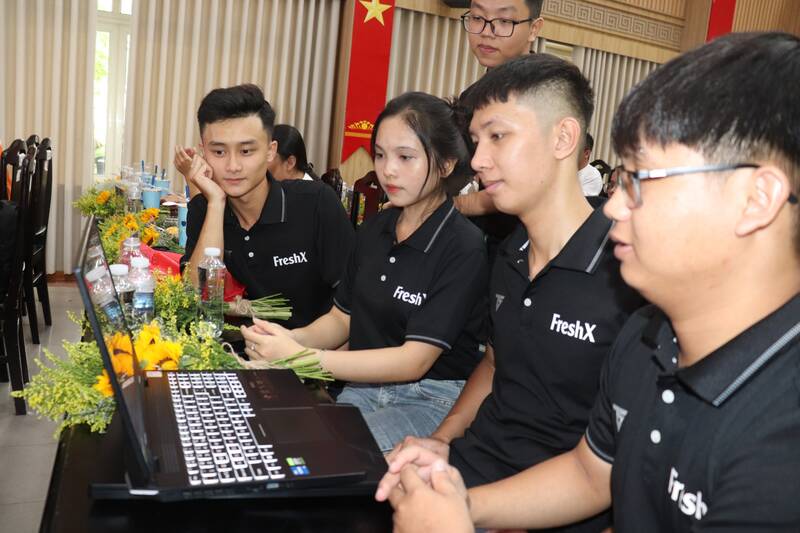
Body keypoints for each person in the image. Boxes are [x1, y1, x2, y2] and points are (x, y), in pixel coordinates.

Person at [379, 31, 800, 532]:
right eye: (622, 181)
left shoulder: (781, 425)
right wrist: (459, 507)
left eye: (644, 181)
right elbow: (588, 473)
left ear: (757, 198)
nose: (615, 207)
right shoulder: (648, 341)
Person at [389, 54, 644, 532]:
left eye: (498, 137)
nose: (479, 160)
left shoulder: (627, 269)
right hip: (473, 471)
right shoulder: (510, 254)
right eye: (476, 141)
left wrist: (467, 510)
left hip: (557, 505)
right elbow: (494, 361)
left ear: (563, 138)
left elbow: (612, 468)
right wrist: (441, 440)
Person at [240, 92, 489, 452]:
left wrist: (301, 358)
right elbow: (342, 319)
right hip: (364, 388)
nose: (388, 170)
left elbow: (413, 361)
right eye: (381, 155)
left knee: (327, 452)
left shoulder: (463, 246)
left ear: (447, 164)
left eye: (406, 157)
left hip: (431, 397)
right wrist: (292, 338)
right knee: (289, 442)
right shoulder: (376, 228)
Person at [179, 84, 354, 329]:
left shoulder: (316, 203)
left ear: (271, 151)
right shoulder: (205, 208)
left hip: (310, 355)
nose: (233, 166)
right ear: (203, 152)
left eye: (246, 151)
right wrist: (216, 204)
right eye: (218, 151)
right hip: (236, 354)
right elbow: (193, 297)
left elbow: (353, 302)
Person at [453, 0, 544, 224]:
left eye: (504, 21)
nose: (486, 32)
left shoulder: (546, 92)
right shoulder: (471, 96)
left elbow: (529, 183)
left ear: (534, 28)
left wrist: (444, 207)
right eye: (477, 18)